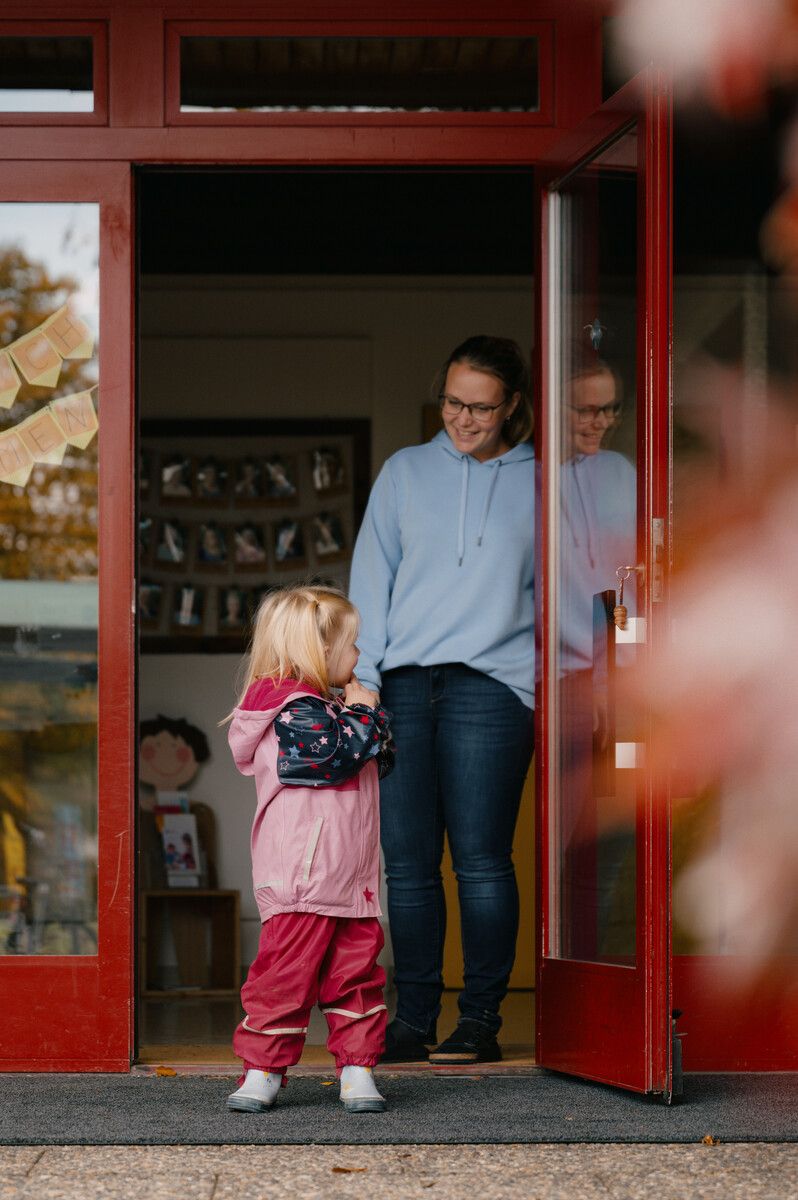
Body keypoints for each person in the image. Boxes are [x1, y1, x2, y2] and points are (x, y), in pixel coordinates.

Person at [348, 335, 535, 1065]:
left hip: (492, 688)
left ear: (511, 405)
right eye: (454, 402)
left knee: (483, 861)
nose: (463, 418)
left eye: (481, 407)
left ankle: (480, 1022)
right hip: (401, 685)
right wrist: (361, 679)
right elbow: (372, 578)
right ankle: (415, 1019)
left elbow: (561, 591)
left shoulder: (540, 482)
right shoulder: (404, 473)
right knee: (408, 863)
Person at [224, 585, 395, 1115]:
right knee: (282, 979)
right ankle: (262, 1070)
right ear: (317, 653)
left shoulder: (329, 709)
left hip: (350, 878)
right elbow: (333, 758)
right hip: (303, 878)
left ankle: (358, 1069)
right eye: (352, 645)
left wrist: (364, 718)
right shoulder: (292, 709)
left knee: (358, 977)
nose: (358, 656)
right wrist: (366, 715)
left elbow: (378, 760)